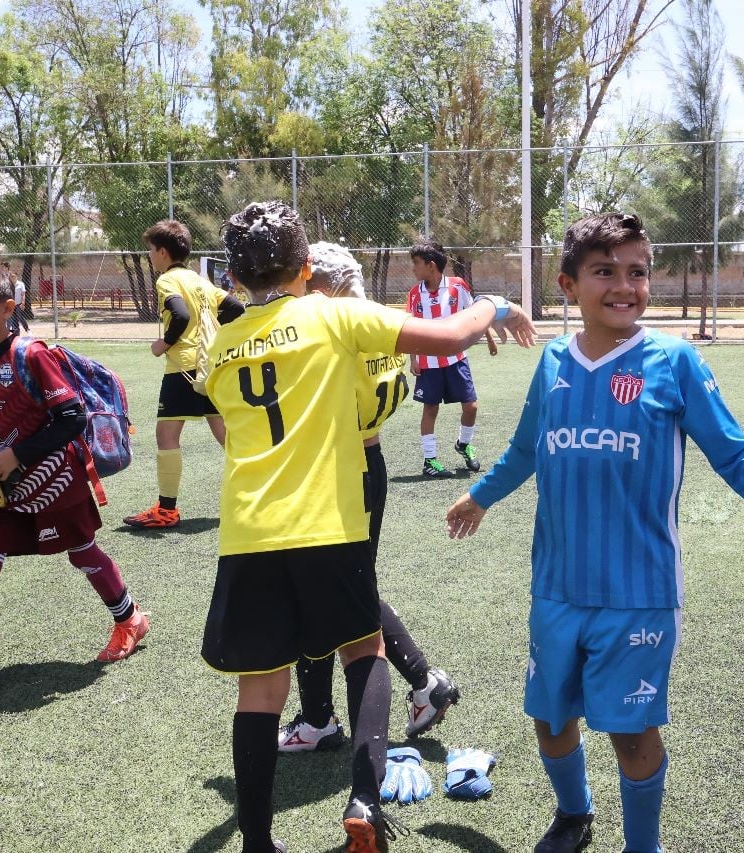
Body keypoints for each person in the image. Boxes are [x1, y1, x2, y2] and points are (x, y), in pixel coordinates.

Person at [445, 212, 744, 853]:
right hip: (556, 588)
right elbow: (527, 450)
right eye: (605, 271)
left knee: (632, 735)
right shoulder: (554, 361)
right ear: (568, 284)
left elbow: (737, 456)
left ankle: (644, 847)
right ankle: (574, 814)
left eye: (636, 272)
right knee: (552, 720)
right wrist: (481, 496)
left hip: (638, 592)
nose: (624, 286)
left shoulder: (674, 361)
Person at [199, 202, 533, 853]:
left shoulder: (225, 342)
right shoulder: (333, 313)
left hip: (249, 533)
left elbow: (224, 422)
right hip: (329, 522)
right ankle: (363, 802)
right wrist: (493, 304)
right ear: (305, 268)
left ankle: (259, 843)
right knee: (365, 649)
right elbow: (445, 336)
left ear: (236, 277)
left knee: (260, 688)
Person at [0, 266, 149, 707]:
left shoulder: (32, 354)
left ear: (8, 307)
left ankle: (131, 619)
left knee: (82, 551)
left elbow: (72, 417)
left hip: (58, 479)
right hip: (2, 486)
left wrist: (15, 456)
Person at [277, 242, 460, 755]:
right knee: (347, 588)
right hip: (368, 463)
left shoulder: (332, 329)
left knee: (318, 592)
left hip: (336, 469)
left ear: (322, 285)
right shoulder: (378, 322)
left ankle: (319, 721)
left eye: (302, 279)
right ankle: (422, 685)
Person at [123, 219, 245, 529]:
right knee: (226, 435)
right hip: (210, 366)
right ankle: (257, 497)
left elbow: (180, 315)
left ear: (163, 252)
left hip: (184, 370)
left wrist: (163, 344)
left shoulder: (167, 281)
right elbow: (235, 308)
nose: (150, 256)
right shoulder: (199, 280)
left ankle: (166, 511)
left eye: (151, 250)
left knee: (166, 435)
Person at [405, 240, 498, 478]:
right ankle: (430, 460)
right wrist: (413, 359)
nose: (413, 269)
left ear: (431, 265)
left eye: (416, 263)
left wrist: (489, 337)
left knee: (471, 406)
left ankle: (464, 444)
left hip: (456, 359)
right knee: (430, 409)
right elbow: (410, 326)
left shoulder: (458, 287)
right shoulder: (415, 294)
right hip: (429, 362)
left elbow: (474, 314)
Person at [3, 262, 30, 334]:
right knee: (10, 319)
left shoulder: (20, 284)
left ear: (17, 277)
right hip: (10, 304)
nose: (13, 278)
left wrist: (23, 303)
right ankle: (13, 333)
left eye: (14, 277)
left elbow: (23, 294)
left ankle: (27, 329)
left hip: (18, 304)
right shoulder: (9, 284)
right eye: (12, 277)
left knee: (20, 317)